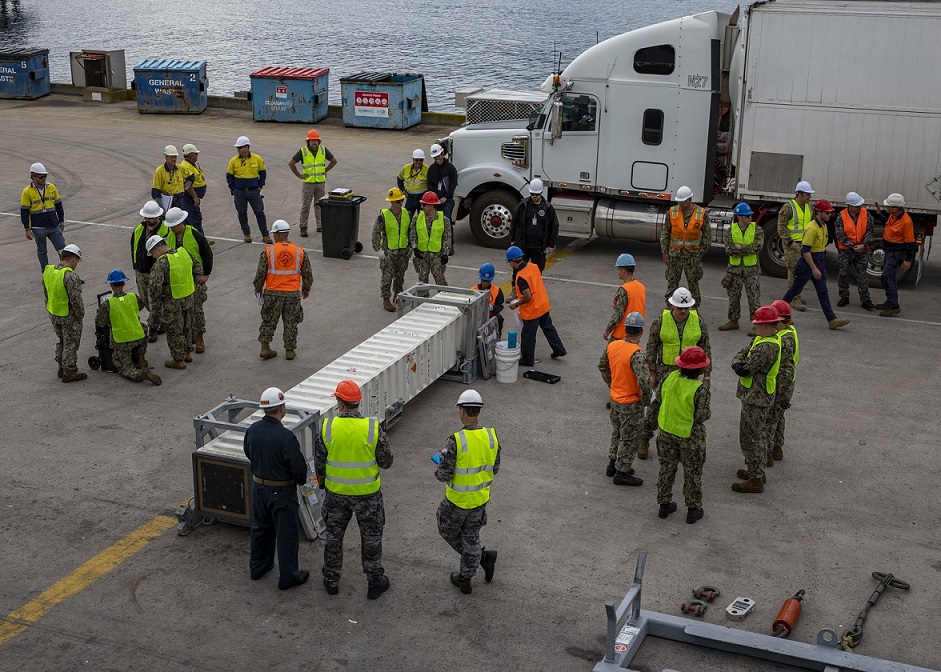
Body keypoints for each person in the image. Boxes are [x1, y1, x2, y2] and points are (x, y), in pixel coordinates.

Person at [315, 380, 393, 600]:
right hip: (368, 496)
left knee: (333, 537)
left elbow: (319, 464)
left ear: (339, 402)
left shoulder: (327, 427)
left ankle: (331, 580)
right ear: (359, 402)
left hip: (336, 494)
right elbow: (387, 462)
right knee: (371, 538)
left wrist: (324, 485)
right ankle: (375, 581)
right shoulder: (372, 427)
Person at [243, 386, 310, 591]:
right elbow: (298, 467)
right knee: (286, 533)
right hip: (281, 493)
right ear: (281, 408)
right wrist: (299, 480)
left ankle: (258, 567)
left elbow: (248, 452)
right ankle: (289, 576)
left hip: (258, 488)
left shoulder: (252, 430)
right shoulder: (285, 436)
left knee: (260, 528)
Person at [435, 389, 500, 594]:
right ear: (478, 411)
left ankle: (479, 559)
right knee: (471, 536)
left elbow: (443, 474)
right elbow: (495, 468)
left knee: (446, 529)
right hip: (480, 499)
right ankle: (466, 575)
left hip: (457, 501)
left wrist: (439, 467)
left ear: (462, 411)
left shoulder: (455, 441)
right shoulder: (491, 437)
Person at [640, 288, 711, 460]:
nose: (683, 311)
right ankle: (645, 438)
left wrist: (707, 376)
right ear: (671, 305)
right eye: (679, 308)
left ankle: (681, 443)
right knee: (655, 407)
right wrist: (652, 372)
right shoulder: (660, 321)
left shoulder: (698, 322)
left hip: (690, 374)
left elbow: (706, 349)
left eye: (686, 308)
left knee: (686, 408)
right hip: (665, 371)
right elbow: (651, 347)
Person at [655, 346, 711, 524]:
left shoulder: (669, 378)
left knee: (666, 469)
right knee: (692, 472)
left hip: (666, 431)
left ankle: (664, 505)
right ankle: (693, 510)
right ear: (701, 370)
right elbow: (703, 415)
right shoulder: (700, 389)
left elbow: (658, 400)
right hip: (689, 436)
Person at [730, 306, 782, 493]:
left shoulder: (766, 347)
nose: (755, 327)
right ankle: (756, 471)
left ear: (767, 326)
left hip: (756, 397)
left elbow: (745, 368)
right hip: (757, 395)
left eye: (758, 324)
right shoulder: (764, 339)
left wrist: (737, 363)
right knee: (754, 435)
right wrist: (739, 361)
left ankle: (756, 478)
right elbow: (742, 353)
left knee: (752, 437)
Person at [599, 312, 652, 486]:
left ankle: (612, 464)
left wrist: (611, 384)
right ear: (641, 331)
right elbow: (644, 382)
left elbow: (602, 365)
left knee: (617, 432)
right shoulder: (637, 355)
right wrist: (644, 401)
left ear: (625, 329)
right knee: (630, 438)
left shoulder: (613, 346)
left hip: (615, 399)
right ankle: (622, 472)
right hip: (631, 402)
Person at [781, 199, 850, 330]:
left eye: (830, 213)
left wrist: (818, 267)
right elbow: (805, 251)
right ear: (818, 212)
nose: (830, 215)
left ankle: (832, 320)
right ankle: (780, 315)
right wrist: (814, 268)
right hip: (809, 263)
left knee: (823, 292)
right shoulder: (811, 228)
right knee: (794, 290)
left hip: (819, 261)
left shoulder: (823, 226)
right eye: (827, 213)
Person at [253, 220, 313, 361]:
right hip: (292, 293)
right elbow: (308, 274)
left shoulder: (269, 251)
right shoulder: (299, 251)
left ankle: (265, 347)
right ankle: (290, 350)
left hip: (272, 293)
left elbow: (260, 274)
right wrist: (306, 289)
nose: (274, 237)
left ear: (278, 235)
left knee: (268, 320)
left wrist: (258, 290)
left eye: (274, 234)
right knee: (291, 322)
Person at [94, 269, 161, 385]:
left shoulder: (107, 303)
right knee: (143, 327)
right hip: (139, 337)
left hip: (122, 341)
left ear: (111, 285)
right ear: (124, 283)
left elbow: (101, 322)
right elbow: (140, 306)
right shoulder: (133, 297)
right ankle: (141, 359)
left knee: (123, 368)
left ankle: (140, 374)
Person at [147, 235, 203, 370]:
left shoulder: (161, 263)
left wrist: (158, 299)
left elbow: (155, 288)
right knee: (187, 327)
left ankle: (178, 360)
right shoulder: (184, 253)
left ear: (158, 249)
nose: (154, 257)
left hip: (172, 302)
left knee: (174, 331)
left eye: (153, 253)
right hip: (189, 298)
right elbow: (198, 270)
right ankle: (188, 353)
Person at [506, 245, 566, 367]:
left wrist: (516, 304)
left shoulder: (521, 277)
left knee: (528, 336)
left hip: (532, 310)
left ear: (512, 262)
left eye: (509, 262)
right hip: (543, 304)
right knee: (549, 328)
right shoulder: (533, 267)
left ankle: (527, 359)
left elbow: (527, 296)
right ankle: (559, 349)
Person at [165, 207, 212, 354]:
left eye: (174, 225)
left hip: (195, 278)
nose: (172, 228)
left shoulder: (195, 234)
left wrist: (206, 274)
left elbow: (207, 254)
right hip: (180, 279)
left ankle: (199, 338)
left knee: (197, 309)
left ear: (181, 222)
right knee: (184, 310)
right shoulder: (171, 236)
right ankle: (190, 334)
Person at [43, 244, 86, 383]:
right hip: (68, 315)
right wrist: (80, 315)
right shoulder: (69, 275)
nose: (76, 265)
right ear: (73, 259)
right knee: (71, 343)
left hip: (54, 313)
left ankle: (61, 367)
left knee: (62, 341)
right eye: (77, 261)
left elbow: (46, 293)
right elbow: (76, 299)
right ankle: (69, 370)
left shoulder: (48, 270)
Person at [661, 186, 710, 304]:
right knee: (672, 283)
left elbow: (707, 237)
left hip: (692, 256)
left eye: (683, 201)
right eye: (679, 201)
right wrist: (665, 252)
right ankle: (669, 308)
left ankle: (694, 310)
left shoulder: (701, 214)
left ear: (690, 199)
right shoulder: (672, 212)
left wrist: (699, 255)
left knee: (693, 284)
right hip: (675, 255)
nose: (681, 204)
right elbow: (665, 233)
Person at [719, 202, 763, 333]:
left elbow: (758, 247)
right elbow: (729, 250)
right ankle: (733, 320)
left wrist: (740, 247)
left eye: (750, 216)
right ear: (739, 217)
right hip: (734, 270)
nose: (750, 218)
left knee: (754, 297)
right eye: (747, 216)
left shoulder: (757, 229)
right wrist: (746, 249)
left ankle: (756, 324)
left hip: (752, 270)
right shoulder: (730, 231)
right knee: (733, 296)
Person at [131, 201, 171, 343]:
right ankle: (161, 321)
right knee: (146, 300)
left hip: (156, 272)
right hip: (141, 272)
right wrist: (136, 266)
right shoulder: (138, 229)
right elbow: (134, 248)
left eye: (151, 218)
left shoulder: (166, 230)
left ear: (158, 216)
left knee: (155, 301)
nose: (148, 220)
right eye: (146, 217)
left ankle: (153, 328)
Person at [872, 193, 916, 317]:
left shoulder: (906, 222)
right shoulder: (893, 216)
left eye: (888, 206)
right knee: (889, 278)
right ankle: (890, 302)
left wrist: (908, 260)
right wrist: (880, 213)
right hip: (890, 251)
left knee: (887, 277)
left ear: (895, 208)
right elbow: (887, 224)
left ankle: (893, 306)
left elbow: (910, 243)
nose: (887, 208)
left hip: (896, 253)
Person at [288, 129, 337, 236]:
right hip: (308, 184)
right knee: (306, 206)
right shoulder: (303, 151)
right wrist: (299, 175)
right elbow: (291, 163)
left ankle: (320, 226)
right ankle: (303, 227)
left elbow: (334, 161)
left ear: (319, 141)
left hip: (320, 183)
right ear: (308, 142)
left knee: (319, 205)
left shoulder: (323, 150)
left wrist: (325, 170)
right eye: (312, 140)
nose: (314, 143)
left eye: (316, 140)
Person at [372, 187, 412, 312]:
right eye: (398, 201)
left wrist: (411, 247)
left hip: (403, 251)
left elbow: (411, 232)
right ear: (391, 202)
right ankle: (386, 298)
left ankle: (398, 294)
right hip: (388, 252)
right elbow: (376, 233)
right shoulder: (383, 216)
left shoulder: (407, 214)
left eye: (401, 201)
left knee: (400, 274)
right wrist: (378, 249)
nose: (400, 203)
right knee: (387, 276)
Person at [21, 162, 67, 271]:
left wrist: (61, 221)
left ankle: (65, 273)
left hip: (53, 225)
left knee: (63, 250)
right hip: (38, 228)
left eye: (45, 176)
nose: (44, 179)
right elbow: (24, 211)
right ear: (33, 177)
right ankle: (45, 274)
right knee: (42, 252)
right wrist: (27, 229)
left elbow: (59, 205)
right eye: (41, 177)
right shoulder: (27, 192)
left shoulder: (51, 187)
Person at [777, 181, 814, 311]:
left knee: (803, 271)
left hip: (805, 244)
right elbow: (781, 227)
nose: (809, 196)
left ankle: (795, 293)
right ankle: (795, 298)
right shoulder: (788, 207)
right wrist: (789, 242)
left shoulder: (810, 207)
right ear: (799, 194)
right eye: (807, 194)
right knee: (794, 270)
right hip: (792, 244)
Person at [227, 136, 270, 244]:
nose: (238, 150)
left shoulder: (257, 159)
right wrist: (233, 189)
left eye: (240, 147)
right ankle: (246, 234)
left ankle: (265, 235)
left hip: (254, 191)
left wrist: (260, 186)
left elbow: (263, 173)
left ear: (247, 147)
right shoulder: (234, 161)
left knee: (259, 212)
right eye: (237, 148)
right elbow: (229, 176)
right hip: (240, 192)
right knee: (242, 212)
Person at [770, 299, 798, 464]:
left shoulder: (783, 340)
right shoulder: (790, 330)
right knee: (779, 416)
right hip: (786, 383)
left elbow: (786, 369)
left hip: (781, 384)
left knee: (771, 418)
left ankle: (769, 451)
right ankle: (777, 448)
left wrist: (782, 394)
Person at [834, 191, 873, 309]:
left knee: (862, 275)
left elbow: (870, 231)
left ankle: (866, 300)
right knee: (843, 273)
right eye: (856, 206)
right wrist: (852, 246)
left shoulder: (867, 214)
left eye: (860, 205)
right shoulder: (841, 216)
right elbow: (839, 234)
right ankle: (844, 296)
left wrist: (863, 245)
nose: (859, 207)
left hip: (862, 249)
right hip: (846, 250)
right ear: (849, 206)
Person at [511, 178, 558, 272]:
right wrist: (512, 239)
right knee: (519, 270)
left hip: (539, 247)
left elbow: (554, 226)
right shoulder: (523, 205)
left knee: (537, 271)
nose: (534, 196)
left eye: (537, 194)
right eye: (532, 194)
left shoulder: (548, 208)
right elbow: (514, 222)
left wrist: (551, 244)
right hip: (523, 245)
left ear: (541, 193)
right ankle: (516, 286)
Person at [409, 191, 451, 286]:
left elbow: (447, 238)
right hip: (422, 255)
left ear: (431, 206)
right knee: (422, 281)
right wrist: (415, 248)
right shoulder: (417, 219)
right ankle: (422, 299)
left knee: (440, 279)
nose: (421, 207)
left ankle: (443, 298)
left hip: (436, 256)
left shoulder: (444, 220)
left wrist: (445, 254)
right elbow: (412, 234)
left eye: (424, 205)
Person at [603, 253, 646, 341]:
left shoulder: (624, 290)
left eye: (618, 269)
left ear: (623, 271)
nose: (617, 272)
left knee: (609, 354)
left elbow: (618, 315)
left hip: (621, 334)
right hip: (635, 334)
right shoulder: (641, 287)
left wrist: (607, 331)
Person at [426, 143, 458, 254]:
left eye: (438, 156)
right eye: (435, 157)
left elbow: (453, 184)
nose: (437, 158)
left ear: (442, 154)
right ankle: (439, 244)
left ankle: (450, 245)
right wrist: (434, 198)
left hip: (447, 201)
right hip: (436, 201)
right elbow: (429, 185)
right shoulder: (432, 169)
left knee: (447, 221)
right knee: (436, 223)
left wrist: (446, 197)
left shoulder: (450, 168)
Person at [178, 144, 212, 244]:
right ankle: (202, 241)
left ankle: (192, 240)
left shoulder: (192, 164)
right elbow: (187, 185)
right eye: (196, 154)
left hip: (192, 198)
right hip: (189, 198)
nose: (197, 156)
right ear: (191, 155)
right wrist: (195, 197)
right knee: (195, 219)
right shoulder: (185, 166)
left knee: (190, 220)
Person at [471, 263, 505, 336]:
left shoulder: (497, 290)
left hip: (491, 315)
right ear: (480, 278)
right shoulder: (473, 290)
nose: (485, 283)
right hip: (477, 316)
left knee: (499, 319)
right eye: (483, 281)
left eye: (488, 281)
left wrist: (493, 308)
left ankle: (496, 338)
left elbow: (500, 306)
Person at [152, 145, 185, 214]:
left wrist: (185, 187)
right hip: (167, 203)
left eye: (175, 157)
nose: (174, 159)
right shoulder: (160, 171)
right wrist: (162, 208)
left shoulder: (180, 168)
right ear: (166, 157)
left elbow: (191, 177)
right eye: (171, 157)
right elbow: (155, 192)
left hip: (180, 202)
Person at [397, 149, 429, 216]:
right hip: (410, 198)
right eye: (417, 160)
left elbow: (431, 183)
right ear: (413, 159)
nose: (419, 162)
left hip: (422, 199)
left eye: (421, 160)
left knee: (422, 218)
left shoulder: (427, 169)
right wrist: (403, 190)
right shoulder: (406, 168)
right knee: (406, 217)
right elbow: (399, 178)